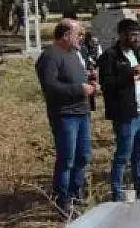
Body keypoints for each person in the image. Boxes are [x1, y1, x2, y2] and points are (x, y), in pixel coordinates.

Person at [35, 19, 95, 216]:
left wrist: (89, 79)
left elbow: (76, 78)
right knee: (67, 158)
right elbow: (51, 88)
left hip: (82, 113)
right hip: (65, 115)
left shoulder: (73, 54)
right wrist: (79, 89)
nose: (81, 37)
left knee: (83, 155)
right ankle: (63, 200)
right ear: (66, 35)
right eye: (78, 34)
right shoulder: (50, 56)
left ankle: (76, 193)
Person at [99, 18, 140, 202]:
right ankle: (117, 191)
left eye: (138, 34)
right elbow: (107, 84)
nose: (136, 38)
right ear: (122, 35)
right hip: (124, 113)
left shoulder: (136, 53)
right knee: (123, 154)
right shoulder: (110, 56)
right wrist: (130, 73)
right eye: (132, 35)